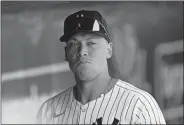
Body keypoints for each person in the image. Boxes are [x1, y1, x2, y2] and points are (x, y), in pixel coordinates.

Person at [36, 10, 166, 124]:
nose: (82, 51)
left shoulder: (139, 105)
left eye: (91, 43)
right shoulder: (48, 111)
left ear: (109, 50)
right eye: (74, 44)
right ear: (66, 54)